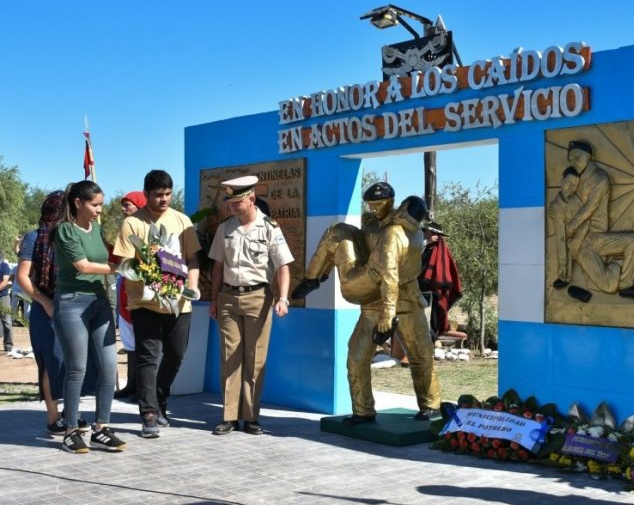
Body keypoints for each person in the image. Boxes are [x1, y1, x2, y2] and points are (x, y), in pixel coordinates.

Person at [293, 190, 442, 424]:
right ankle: (362, 411)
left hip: (401, 298)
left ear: (395, 204)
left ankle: (431, 406)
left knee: (420, 354)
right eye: (371, 204)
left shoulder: (397, 233)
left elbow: (390, 273)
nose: (374, 208)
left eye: (379, 204)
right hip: (372, 294)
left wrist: (388, 314)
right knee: (357, 355)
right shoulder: (374, 223)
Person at [113, 170, 200, 439]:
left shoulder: (182, 220)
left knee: (176, 355)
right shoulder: (132, 224)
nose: (164, 200)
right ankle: (148, 414)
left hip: (179, 304)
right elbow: (123, 263)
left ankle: (160, 399)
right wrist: (149, 272)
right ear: (147, 194)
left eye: (168, 194)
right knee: (148, 358)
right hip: (145, 304)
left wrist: (192, 287)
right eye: (158, 195)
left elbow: (193, 259)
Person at [208, 176, 293, 435]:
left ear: (251, 199)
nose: (232, 206)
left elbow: (283, 266)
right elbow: (218, 266)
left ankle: (251, 416)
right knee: (229, 357)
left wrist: (283, 298)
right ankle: (229, 416)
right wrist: (214, 299)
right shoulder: (225, 228)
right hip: (228, 299)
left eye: (237, 201)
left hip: (258, 298)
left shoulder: (269, 228)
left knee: (255, 359)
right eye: (230, 201)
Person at [51, 181, 126, 453]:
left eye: (101, 205)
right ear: (78, 203)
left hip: (99, 303)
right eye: (95, 205)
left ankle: (101, 428)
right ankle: (71, 430)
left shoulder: (97, 229)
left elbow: (109, 254)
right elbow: (82, 265)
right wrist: (120, 269)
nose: (99, 210)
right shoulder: (64, 230)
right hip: (72, 304)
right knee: (77, 369)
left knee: (109, 367)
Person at [16, 190, 93, 435]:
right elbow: (22, 276)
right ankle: (53, 418)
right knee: (52, 362)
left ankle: (72, 413)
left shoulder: (73, 235)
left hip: (74, 306)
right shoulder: (34, 237)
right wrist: (43, 301)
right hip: (45, 308)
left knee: (75, 362)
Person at [554, 139, 634, 302]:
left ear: (588, 157)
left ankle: (626, 284)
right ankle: (611, 266)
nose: (573, 163)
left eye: (576, 158)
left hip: (597, 237)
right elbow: (562, 209)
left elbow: (590, 207)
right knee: (608, 287)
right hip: (581, 243)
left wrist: (572, 226)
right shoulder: (572, 180)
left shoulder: (600, 179)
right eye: (571, 160)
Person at [113, 191, 147, 401]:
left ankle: (143, 388)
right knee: (130, 344)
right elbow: (118, 259)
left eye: (128, 205)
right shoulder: (124, 230)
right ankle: (132, 384)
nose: (124, 209)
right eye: (123, 205)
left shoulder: (146, 229)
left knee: (143, 344)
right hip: (125, 291)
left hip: (142, 292)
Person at [417, 221, 463, 341]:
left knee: (430, 323)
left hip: (433, 293)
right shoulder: (424, 247)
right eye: (426, 232)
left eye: (428, 232)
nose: (425, 234)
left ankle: (428, 349)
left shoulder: (441, 251)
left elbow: (443, 274)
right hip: (418, 291)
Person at [0, 250, 13, 352]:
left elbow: (5, 281)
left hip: (3, 297)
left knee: (7, 322)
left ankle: (8, 346)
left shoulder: (5, 266)